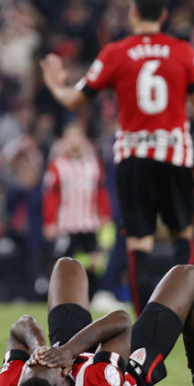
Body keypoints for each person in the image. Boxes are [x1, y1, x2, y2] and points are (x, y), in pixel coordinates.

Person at [40, 0, 194, 315]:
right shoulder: (183, 51)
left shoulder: (115, 53)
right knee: (184, 236)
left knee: (139, 243)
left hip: (133, 156)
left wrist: (54, 83)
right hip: (174, 153)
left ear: (133, 12)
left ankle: (143, 334)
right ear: (163, 15)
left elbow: (74, 100)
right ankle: (183, 318)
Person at [0, 257, 194, 386]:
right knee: (188, 276)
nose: (42, 359)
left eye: (33, 363)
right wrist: (69, 350)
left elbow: (21, 325)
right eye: (48, 363)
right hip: (124, 373)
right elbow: (120, 323)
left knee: (67, 266)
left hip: (80, 358)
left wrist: (38, 347)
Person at [42, 122, 112, 293]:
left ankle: (92, 296)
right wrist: (50, 221)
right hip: (66, 224)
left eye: (77, 136)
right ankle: (59, 297)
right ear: (64, 140)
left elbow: (100, 191)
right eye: (70, 136)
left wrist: (105, 215)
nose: (74, 141)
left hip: (89, 223)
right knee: (61, 263)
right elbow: (51, 195)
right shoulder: (57, 165)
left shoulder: (93, 164)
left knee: (94, 262)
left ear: (83, 139)